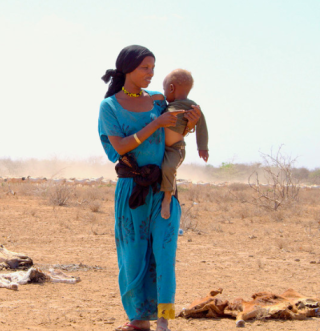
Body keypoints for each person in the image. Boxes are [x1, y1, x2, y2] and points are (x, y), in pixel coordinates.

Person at [98, 45, 201, 331]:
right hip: (132, 192)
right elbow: (120, 146)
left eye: (153, 68)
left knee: (164, 256)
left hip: (163, 190)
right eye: (145, 68)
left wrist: (188, 126)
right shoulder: (110, 107)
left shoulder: (158, 101)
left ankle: (164, 321)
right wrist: (155, 123)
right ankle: (138, 320)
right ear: (127, 69)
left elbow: (170, 140)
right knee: (133, 257)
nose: (150, 74)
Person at [160, 69, 209, 219]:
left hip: (175, 149)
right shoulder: (165, 107)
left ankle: (167, 198)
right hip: (161, 148)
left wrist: (203, 147)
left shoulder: (192, 107)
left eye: (165, 89)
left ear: (172, 88)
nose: (164, 93)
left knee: (168, 168)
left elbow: (202, 126)